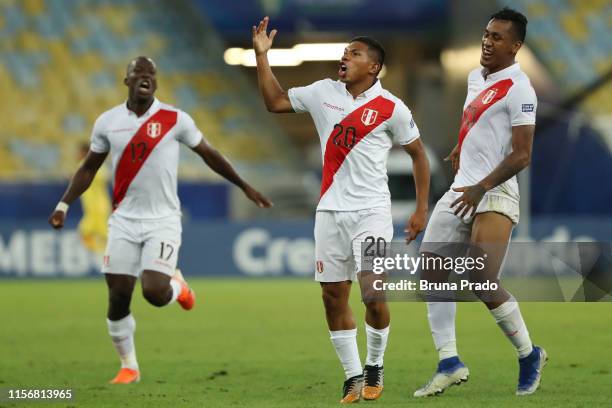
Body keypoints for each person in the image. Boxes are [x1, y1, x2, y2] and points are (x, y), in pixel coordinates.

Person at [48, 56, 272, 384]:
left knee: (153, 292)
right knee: (118, 295)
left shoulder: (175, 119)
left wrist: (244, 185)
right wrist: (63, 205)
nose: (145, 77)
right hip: (123, 220)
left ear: (156, 82)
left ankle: (177, 287)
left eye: (151, 73)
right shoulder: (108, 122)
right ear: (126, 81)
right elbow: (88, 168)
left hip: (163, 220)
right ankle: (129, 367)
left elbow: (209, 153)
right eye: (138, 73)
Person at [252, 17, 430, 403]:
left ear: (374, 67)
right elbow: (275, 102)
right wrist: (262, 57)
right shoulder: (322, 92)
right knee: (333, 296)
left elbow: (418, 156)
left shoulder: (391, 108)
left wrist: (421, 209)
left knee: (372, 293)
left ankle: (375, 365)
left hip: (372, 212)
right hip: (330, 212)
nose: (345, 57)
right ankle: (352, 376)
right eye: (344, 52)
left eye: (354, 53)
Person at [414, 8, 546, 397]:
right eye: (486, 34)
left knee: (481, 278)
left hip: (495, 191)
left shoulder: (521, 89)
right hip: (462, 188)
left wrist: (481, 185)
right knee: (431, 273)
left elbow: (523, 154)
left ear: (516, 46)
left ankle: (528, 354)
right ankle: (449, 362)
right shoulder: (476, 77)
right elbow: (481, 123)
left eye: (498, 37)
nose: (488, 42)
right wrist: (463, 146)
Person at [76, 141, 111, 256]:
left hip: (98, 208)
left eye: (79, 152)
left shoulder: (90, 164)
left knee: (92, 232)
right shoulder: (96, 165)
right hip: (94, 207)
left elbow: (103, 177)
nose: (77, 155)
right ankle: (100, 254)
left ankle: (102, 254)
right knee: (89, 232)